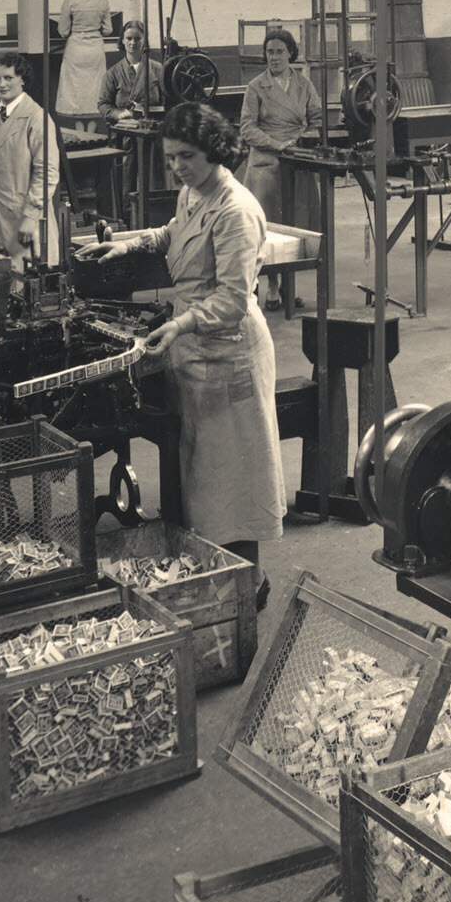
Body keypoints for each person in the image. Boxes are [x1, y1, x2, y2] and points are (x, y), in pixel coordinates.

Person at [75, 102, 286, 575]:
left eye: (185, 156)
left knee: (236, 488)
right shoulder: (194, 194)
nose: (176, 167)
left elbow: (232, 300)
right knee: (203, 483)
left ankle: (246, 588)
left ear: (213, 150)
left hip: (231, 355)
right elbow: (175, 233)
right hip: (193, 352)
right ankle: (211, 574)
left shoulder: (236, 210)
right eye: (170, 157)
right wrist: (129, 244)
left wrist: (180, 323)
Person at [238, 28, 318, 308]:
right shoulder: (256, 87)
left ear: (290, 54)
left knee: (295, 228)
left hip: (297, 162)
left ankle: (288, 287)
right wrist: (277, 144)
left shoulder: (305, 84)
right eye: (269, 52)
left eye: (280, 51)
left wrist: (303, 141)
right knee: (266, 231)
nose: (274, 57)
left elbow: (317, 118)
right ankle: (269, 289)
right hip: (266, 165)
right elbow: (247, 128)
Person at [0, 53, 65, 265]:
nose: (2, 84)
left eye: (8, 78)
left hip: (27, 219)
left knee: (27, 283)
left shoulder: (36, 117)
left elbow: (47, 172)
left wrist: (31, 216)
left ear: (22, 79)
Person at [54, 0, 114, 134]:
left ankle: (81, 132)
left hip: (76, 49)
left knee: (76, 91)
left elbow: (63, 31)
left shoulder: (70, 0)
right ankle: (91, 131)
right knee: (95, 90)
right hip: (95, 48)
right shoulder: (102, 0)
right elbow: (108, 30)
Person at [98, 20, 162, 123]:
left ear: (144, 41)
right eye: (129, 38)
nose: (133, 43)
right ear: (123, 40)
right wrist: (118, 114)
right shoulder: (112, 73)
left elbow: (167, 102)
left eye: (137, 39)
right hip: (124, 129)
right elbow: (103, 104)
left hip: (152, 128)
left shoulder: (158, 69)